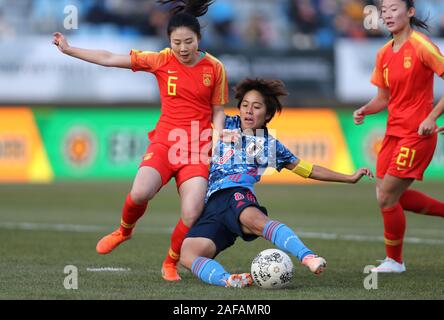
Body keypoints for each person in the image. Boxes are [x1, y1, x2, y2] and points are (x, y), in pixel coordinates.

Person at [52, 0, 228, 281]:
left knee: (192, 211)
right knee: (140, 192)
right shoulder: (161, 59)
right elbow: (110, 58)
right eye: (177, 42)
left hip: (197, 149)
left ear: (199, 40)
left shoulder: (215, 68)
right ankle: (124, 231)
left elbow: (218, 111)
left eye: (188, 42)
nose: (183, 49)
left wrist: (219, 136)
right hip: (165, 142)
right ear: (169, 41)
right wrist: (70, 49)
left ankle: (170, 262)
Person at [179, 78, 374, 288]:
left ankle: (308, 257)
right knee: (188, 255)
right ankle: (228, 279)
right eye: (245, 105)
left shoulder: (270, 145)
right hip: (213, 205)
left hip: (236, 193)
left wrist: (349, 177)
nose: (248, 111)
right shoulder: (226, 124)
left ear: (268, 114)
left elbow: (308, 170)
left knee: (258, 222)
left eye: (256, 107)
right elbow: (202, 106)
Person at [353, 0, 444, 273]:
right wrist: (365, 110)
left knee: (386, 198)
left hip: (417, 134)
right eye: (384, 10)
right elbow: (383, 97)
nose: (388, 14)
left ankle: (395, 261)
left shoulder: (422, 46)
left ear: (410, 12)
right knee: (387, 195)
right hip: (392, 133)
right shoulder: (383, 53)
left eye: (394, 8)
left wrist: (432, 117)